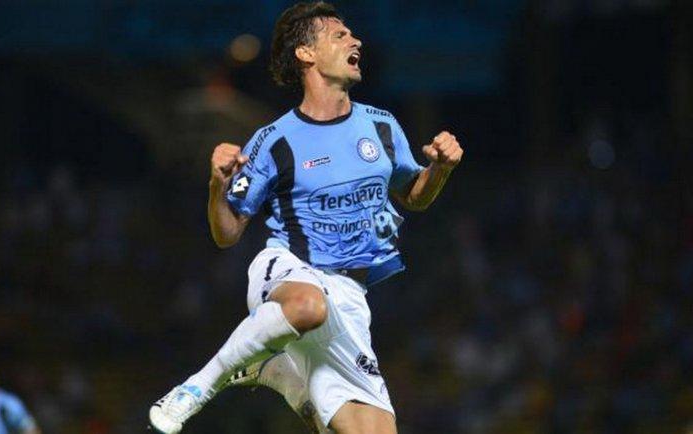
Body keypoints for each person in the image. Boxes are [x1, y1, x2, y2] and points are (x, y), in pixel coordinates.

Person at [149, 2, 463, 433]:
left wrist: (440, 169)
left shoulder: (382, 126)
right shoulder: (274, 140)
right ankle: (198, 387)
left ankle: (277, 370)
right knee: (308, 305)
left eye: (352, 34)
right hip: (289, 271)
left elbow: (414, 196)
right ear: (306, 53)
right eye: (339, 35)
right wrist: (216, 185)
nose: (355, 40)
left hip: (350, 295)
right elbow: (227, 233)